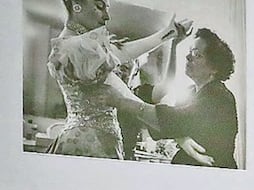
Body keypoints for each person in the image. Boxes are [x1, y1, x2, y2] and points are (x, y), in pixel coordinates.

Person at [45, 0, 186, 159]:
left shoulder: (78, 45)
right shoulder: (75, 48)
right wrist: (174, 130)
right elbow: (124, 91)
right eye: (99, 7)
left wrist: (169, 33)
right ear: (77, 6)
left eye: (107, 8)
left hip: (94, 138)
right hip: (89, 143)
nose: (106, 16)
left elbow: (122, 52)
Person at [111, 28, 239, 168]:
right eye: (190, 52)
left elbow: (173, 120)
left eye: (197, 54)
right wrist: (180, 137)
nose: (188, 57)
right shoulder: (191, 92)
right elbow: (171, 120)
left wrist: (119, 101)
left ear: (214, 67)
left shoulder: (218, 96)